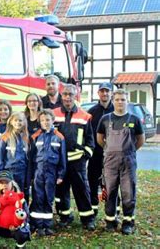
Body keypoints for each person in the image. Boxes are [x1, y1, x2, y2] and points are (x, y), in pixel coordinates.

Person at [96, 89, 145, 235]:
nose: (120, 102)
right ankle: (110, 221)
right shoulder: (105, 119)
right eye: (117, 99)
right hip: (110, 162)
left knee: (128, 192)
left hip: (128, 162)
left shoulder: (134, 119)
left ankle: (128, 222)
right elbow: (100, 138)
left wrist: (129, 151)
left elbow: (141, 140)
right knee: (110, 191)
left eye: (123, 100)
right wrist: (109, 149)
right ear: (113, 100)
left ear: (127, 101)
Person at [53, 84, 96, 230]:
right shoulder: (53, 114)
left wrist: (86, 154)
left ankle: (87, 218)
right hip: (59, 160)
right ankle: (65, 216)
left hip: (78, 160)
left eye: (70, 94)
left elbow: (90, 139)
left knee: (82, 189)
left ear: (75, 95)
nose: (67, 97)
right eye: (65, 94)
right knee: (61, 190)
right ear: (61, 96)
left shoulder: (84, 116)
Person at [29, 109, 66, 236]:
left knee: (49, 198)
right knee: (38, 197)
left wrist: (61, 174)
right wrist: (31, 175)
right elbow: (31, 157)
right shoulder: (35, 136)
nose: (45, 122)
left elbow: (62, 158)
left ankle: (47, 225)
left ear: (53, 120)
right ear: (39, 121)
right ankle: (38, 225)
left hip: (52, 172)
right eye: (43, 120)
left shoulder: (59, 137)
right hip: (38, 171)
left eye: (48, 120)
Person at [87, 82, 114, 217]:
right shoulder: (92, 112)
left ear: (111, 93)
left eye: (107, 91)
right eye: (102, 91)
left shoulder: (116, 110)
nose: (105, 93)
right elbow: (87, 133)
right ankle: (92, 210)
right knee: (92, 181)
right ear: (98, 93)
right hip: (95, 154)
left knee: (112, 183)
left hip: (112, 155)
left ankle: (112, 212)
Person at [0, 171, 30, 249]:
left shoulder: (19, 197)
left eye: (7, 182)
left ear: (12, 183)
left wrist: (17, 225)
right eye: (1, 182)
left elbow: (26, 216)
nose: (4, 185)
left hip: (14, 228)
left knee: (22, 234)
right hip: (0, 225)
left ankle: (20, 247)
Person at [0, 112, 30, 200]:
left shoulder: (27, 138)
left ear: (24, 122)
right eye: (16, 120)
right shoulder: (4, 137)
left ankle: (21, 213)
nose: (18, 123)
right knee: (6, 196)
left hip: (22, 172)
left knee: (20, 196)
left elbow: (28, 159)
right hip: (8, 172)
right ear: (11, 122)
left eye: (20, 120)